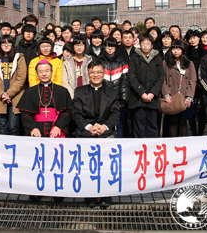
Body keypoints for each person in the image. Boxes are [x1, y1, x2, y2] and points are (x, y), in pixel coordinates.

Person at [73, 61, 120, 207]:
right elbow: (76, 113)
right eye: (93, 72)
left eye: (99, 72)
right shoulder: (80, 91)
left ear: (104, 73)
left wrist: (105, 126)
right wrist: (88, 127)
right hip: (86, 132)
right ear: (88, 73)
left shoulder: (112, 92)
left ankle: (106, 195)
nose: (96, 75)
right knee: (88, 166)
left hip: (105, 133)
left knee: (107, 166)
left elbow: (115, 114)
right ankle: (90, 195)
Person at [17, 61, 72, 138]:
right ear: (37, 73)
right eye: (41, 71)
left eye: (47, 71)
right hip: (37, 129)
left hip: (56, 129)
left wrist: (59, 126)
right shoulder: (29, 92)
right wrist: (32, 128)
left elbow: (67, 111)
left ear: (51, 72)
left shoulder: (62, 91)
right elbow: (25, 114)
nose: (44, 74)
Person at [128, 33, 164, 138]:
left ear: (152, 45)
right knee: (139, 125)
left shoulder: (157, 58)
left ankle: (152, 149)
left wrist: (153, 93)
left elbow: (161, 77)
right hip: (138, 98)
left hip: (153, 98)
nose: (145, 46)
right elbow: (132, 77)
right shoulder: (135, 58)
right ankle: (139, 150)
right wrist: (142, 93)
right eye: (143, 43)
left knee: (152, 125)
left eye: (148, 43)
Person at [0, 35, 27, 135]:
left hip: (15, 97)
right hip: (0, 98)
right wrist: (2, 94)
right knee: (2, 127)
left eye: (8, 42)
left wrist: (9, 93)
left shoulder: (19, 58)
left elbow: (21, 78)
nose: (6, 45)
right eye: (3, 43)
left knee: (13, 127)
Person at [161, 43, 196, 137]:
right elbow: (163, 80)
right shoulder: (165, 63)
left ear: (183, 50)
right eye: (174, 49)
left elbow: (192, 80)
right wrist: (166, 94)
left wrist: (189, 97)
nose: (176, 51)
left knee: (183, 122)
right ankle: (173, 145)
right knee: (172, 122)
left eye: (178, 49)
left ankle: (182, 146)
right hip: (172, 96)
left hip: (185, 96)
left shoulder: (189, 63)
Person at [97, 37, 130, 138]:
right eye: (107, 46)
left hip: (117, 99)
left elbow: (125, 82)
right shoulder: (99, 60)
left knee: (118, 123)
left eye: (112, 46)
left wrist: (123, 99)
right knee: (103, 122)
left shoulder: (122, 62)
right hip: (102, 98)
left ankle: (118, 143)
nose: (110, 49)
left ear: (116, 48)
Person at [185, 29, 207, 136]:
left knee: (202, 113)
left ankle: (201, 134)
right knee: (191, 112)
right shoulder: (186, 53)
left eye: (194, 37)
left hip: (203, 86)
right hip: (190, 85)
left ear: (199, 38)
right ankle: (193, 133)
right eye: (190, 38)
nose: (192, 40)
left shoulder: (205, 52)